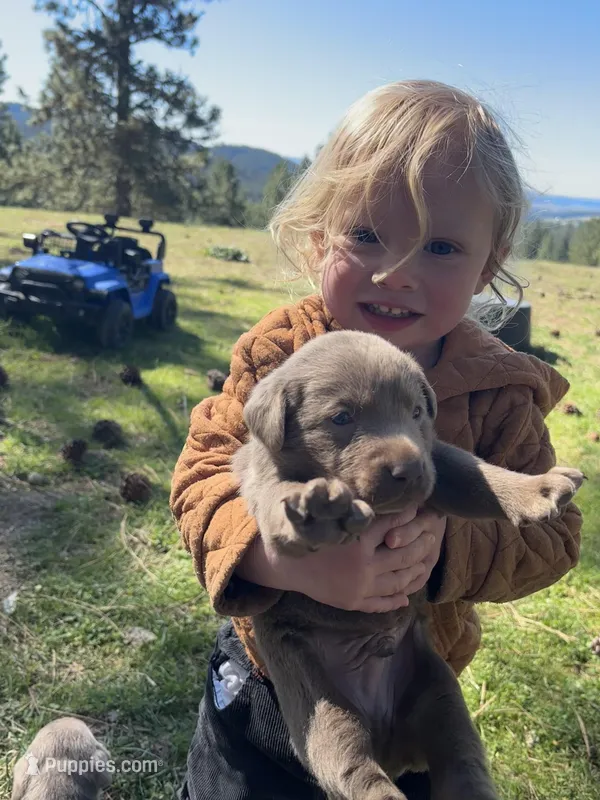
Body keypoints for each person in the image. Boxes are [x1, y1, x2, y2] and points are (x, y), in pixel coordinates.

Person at [170, 80, 582, 800]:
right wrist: (279, 560)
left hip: (414, 675)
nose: (396, 274)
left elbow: (553, 541)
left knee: (444, 763)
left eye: (443, 246)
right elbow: (205, 474)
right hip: (272, 677)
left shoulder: (500, 393)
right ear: (319, 233)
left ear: (491, 262)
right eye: (366, 236)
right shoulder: (280, 353)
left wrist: (437, 552)